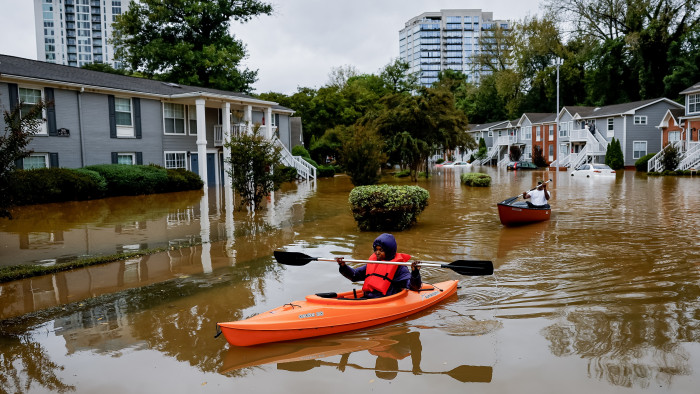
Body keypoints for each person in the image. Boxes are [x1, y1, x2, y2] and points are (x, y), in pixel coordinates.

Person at [335, 233, 421, 298]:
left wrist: (415, 273)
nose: (377, 252)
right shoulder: (374, 263)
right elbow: (354, 275)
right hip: (369, 298)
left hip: (385, 300)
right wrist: (343, 266)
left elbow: (413, 287)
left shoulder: (398, 267)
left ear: (389, 251)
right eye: (376, 249)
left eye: (381, 250)